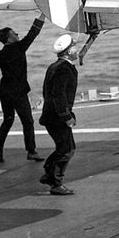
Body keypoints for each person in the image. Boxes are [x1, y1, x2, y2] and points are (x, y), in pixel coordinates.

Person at [0, 14, 46, 162]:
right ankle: (31, 151)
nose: (17, 35)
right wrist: (42, 16)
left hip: (5, 93)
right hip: (18, 92)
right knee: (27, 121)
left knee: (8, 120)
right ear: (9, 38)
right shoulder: (20, 48)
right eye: (14, 33)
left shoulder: (0, 55)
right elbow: (33, 33)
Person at [39, 34, 79, 196]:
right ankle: (55, 183)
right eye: (74, 47)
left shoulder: (55, 66)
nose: (76, 49)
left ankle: (49, 174)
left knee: (65, 147)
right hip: (57, 117)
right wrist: (66, 116)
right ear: (69, 52)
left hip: (51, 116)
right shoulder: (63, 69)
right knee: (67, 149)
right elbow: (58, 95)